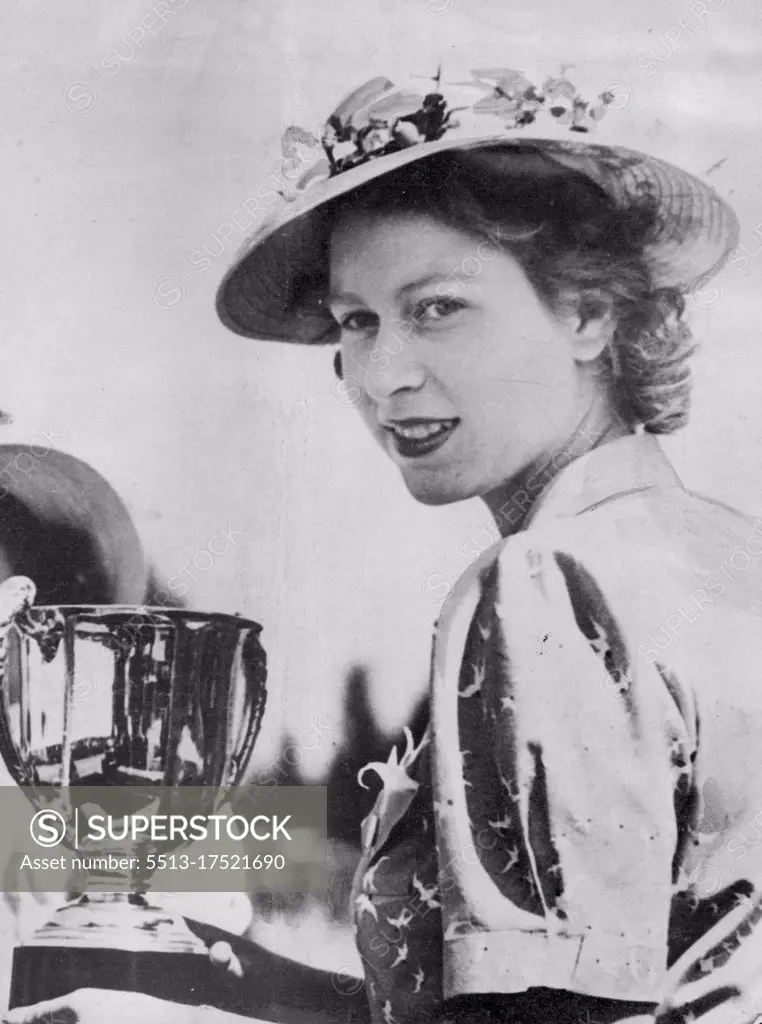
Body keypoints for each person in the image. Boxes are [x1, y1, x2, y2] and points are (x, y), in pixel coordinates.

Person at [10, 68, 762, 1024]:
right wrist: (248, 982)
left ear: (587, 315)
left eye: (437, 307)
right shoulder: (727, 556)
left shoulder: (546, 579)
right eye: (357, 322)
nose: (382, 375)